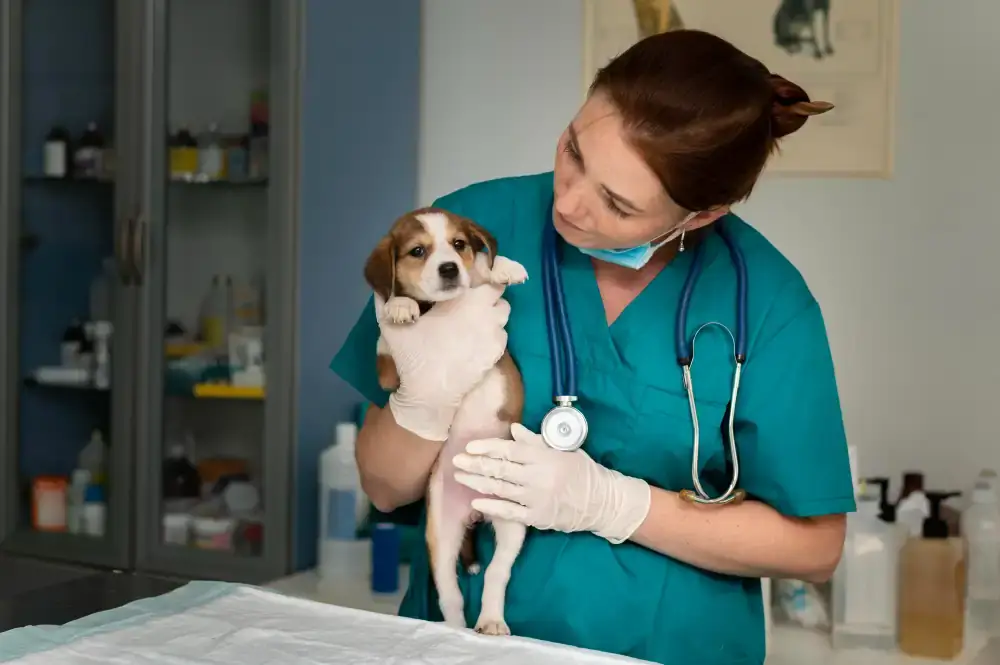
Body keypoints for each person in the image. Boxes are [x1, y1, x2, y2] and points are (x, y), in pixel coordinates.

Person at [331, 29, 854, 665]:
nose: (570, 201)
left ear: (702, 215)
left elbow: (815, 548)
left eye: (617, 202)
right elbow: (383, 488)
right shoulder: (463, 235)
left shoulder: (766, 301)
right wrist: (422, 399)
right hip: (458, 644)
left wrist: (615, 504)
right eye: (573, 150)